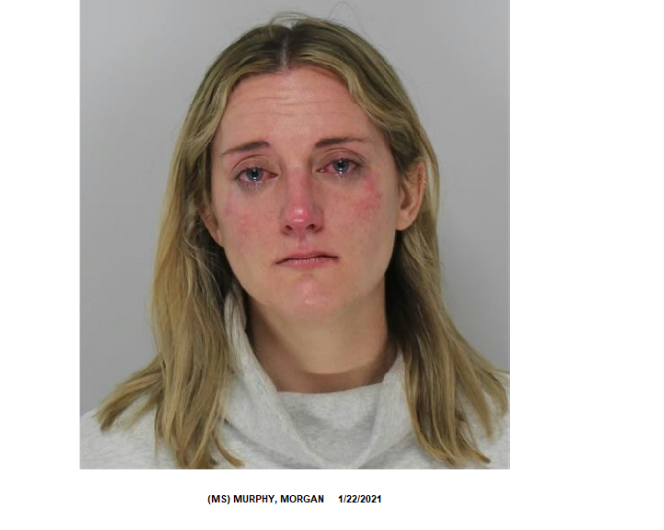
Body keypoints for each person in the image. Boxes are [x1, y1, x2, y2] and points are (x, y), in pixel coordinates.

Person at [81, 13, 509, 469]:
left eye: (340, 165)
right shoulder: (101, 461)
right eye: (254, 173)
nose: (300, 214)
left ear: (407, 193)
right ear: (210, 213)